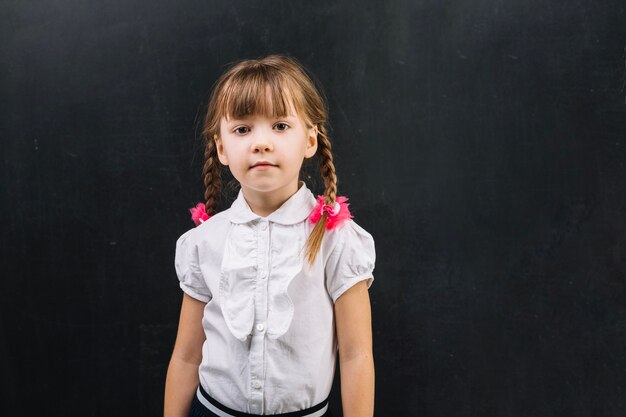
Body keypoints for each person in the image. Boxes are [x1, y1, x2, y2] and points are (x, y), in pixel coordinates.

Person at [164, 54, 376, 417]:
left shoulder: (336, 240)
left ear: (310, 140)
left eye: (280, 125)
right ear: (221, 147)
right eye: (242, 129)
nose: (261, 143)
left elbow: (357, 355)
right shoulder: (203, 242)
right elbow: (186, 357)